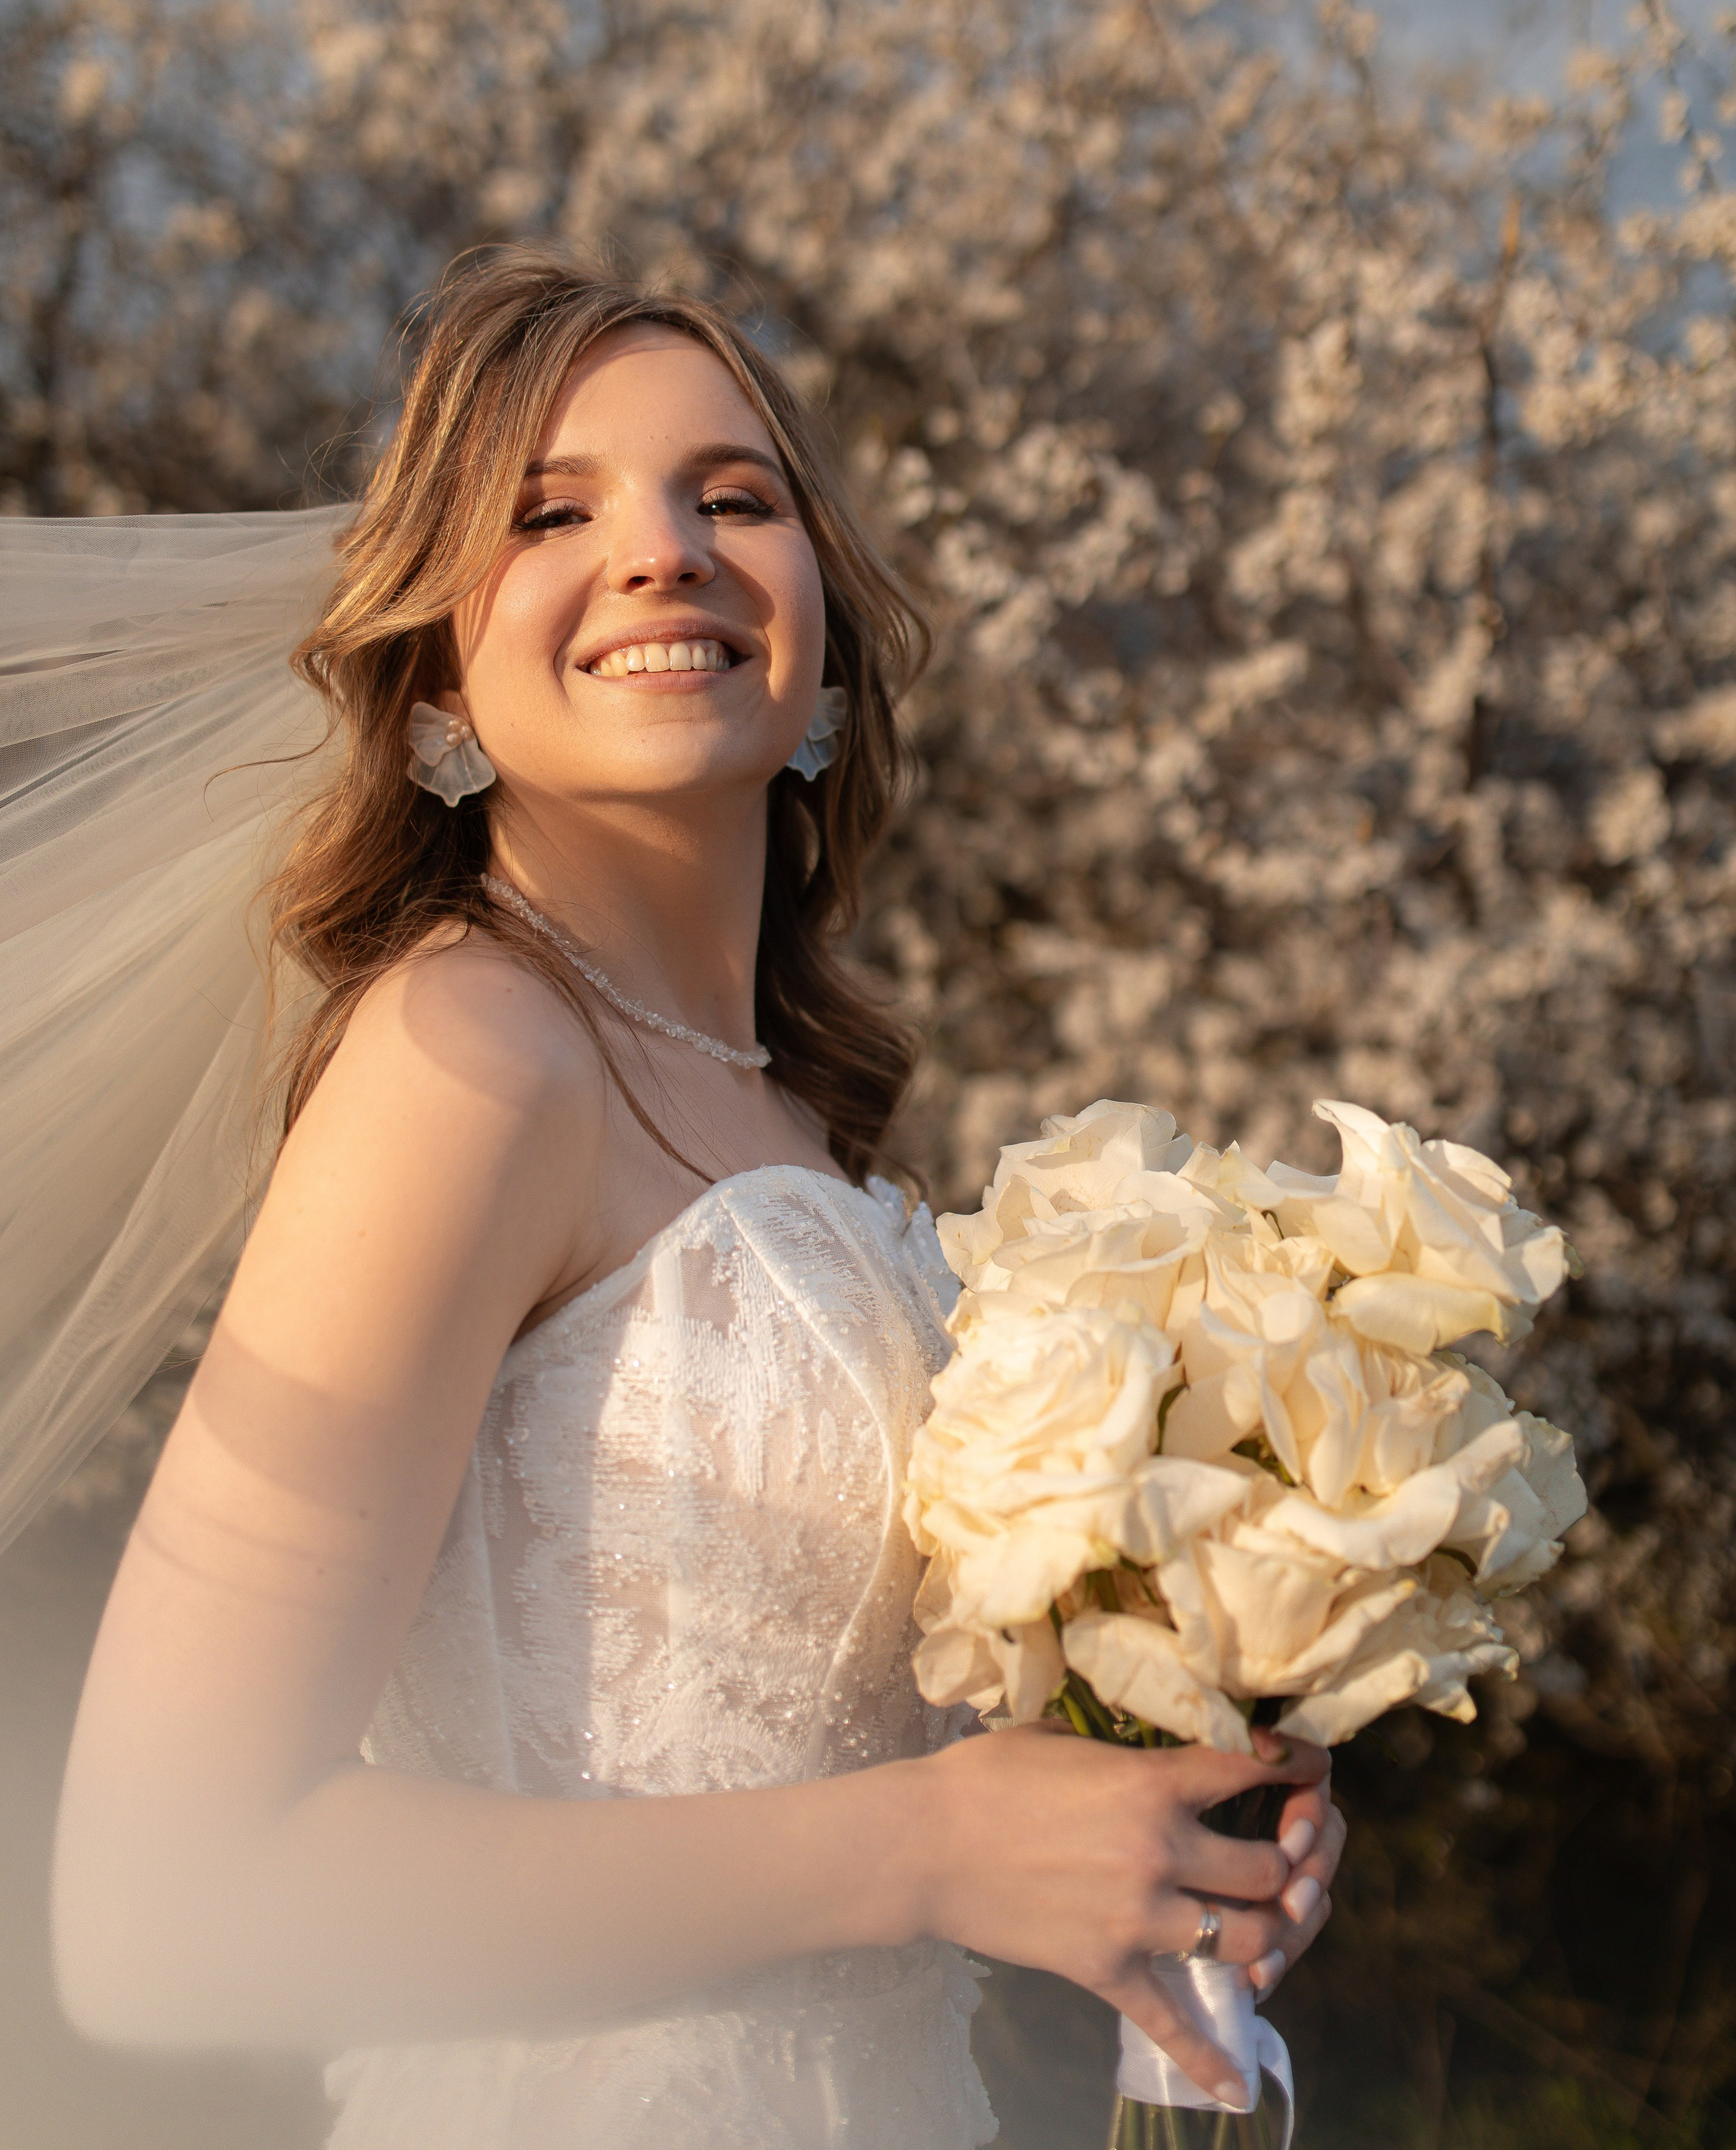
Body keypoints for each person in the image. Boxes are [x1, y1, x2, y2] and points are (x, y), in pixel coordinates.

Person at [46, 248, 1344, 2148]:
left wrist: (1144, 1811)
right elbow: (152, 1909)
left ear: (818, 626)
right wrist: (923, 1848)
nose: (663, 551)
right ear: (434, 674)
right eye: (550, 513)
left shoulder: (805, 1118)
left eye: (734, 496)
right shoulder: (467, 1058)